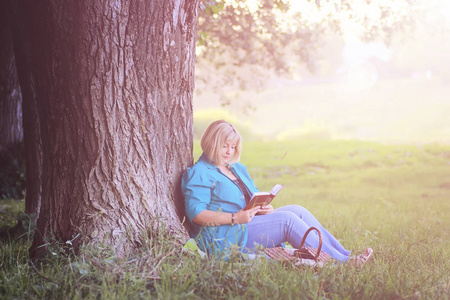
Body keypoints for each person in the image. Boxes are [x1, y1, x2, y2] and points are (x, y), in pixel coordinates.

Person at [181, 120, 372, 265]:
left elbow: (253, 195)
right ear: (212, 142)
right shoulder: (199, 173)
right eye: (225, 146)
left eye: (233, 147)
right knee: (286, 220)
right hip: (224, 235)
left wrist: (263, 208)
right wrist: (235, 218)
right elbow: (196, 214)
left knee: (297, 210)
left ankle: (345, 254)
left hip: (245, 223)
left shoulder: (236, 168)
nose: (229, 152)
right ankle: (345, 263)